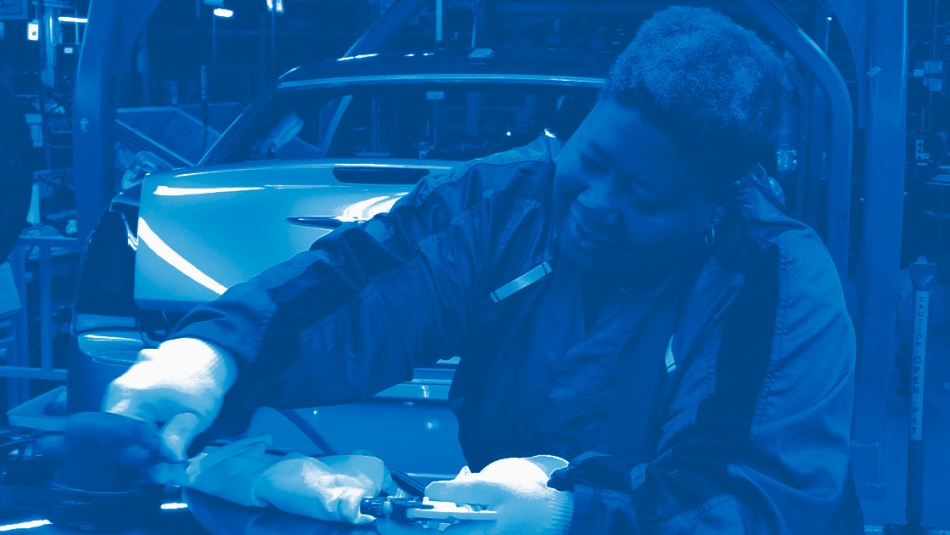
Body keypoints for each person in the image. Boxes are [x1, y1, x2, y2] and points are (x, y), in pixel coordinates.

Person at [103, 6, 861, 534]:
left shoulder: (773, 283)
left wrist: (571, 515)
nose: (596, 203)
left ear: (713, 202)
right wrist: (211, 356)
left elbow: (747, 497)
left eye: (641, 195)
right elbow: (358, 285)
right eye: (592, 160)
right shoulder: (507, 202)